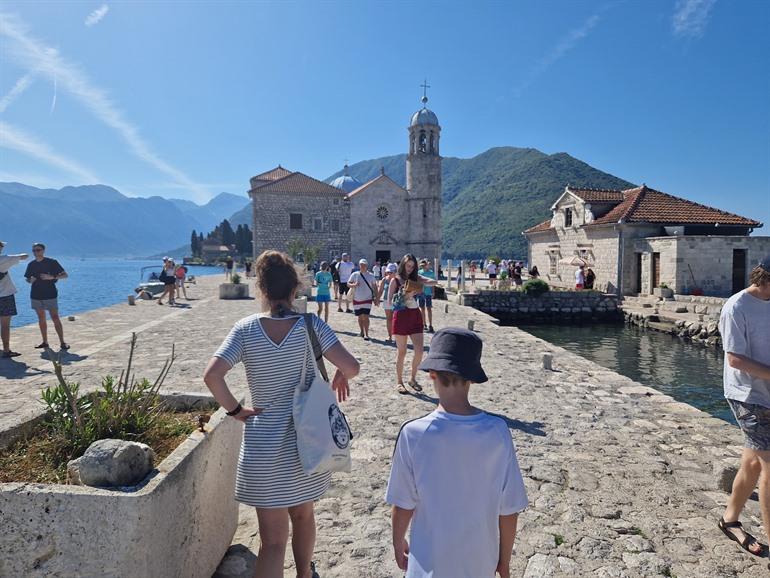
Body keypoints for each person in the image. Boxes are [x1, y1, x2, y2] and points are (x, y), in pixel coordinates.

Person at [203, 250, 359, 578]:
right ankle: (304, 574)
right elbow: (352, 366)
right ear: (294, 289)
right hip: (305, 446)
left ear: (261, 289)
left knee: (272, 543)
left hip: (262, 444)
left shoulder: (244, 329)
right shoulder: (311, 326)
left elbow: (212, 376)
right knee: (303, 517)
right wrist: (341, 373)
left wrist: (236, 410)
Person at [386, 327, 528, 578]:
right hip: (479, 563)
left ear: (431, 374)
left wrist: (398, 542)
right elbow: (509, 510)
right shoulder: (498, 432)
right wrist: (503, 561)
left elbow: (403, 503)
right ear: (472, 378)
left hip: (428, 564)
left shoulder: (414, 433)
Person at [718, 256, 770, 564]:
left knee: (752, 463)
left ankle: (730, 519)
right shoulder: (736, 307)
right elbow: (734, 359)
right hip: (747, 395)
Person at [388, 254, 438, 394]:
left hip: (415, 315)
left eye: (412, 266)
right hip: (401, 315)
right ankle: (399, 382)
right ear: (403, 265)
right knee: (402, 352)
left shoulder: (416, 278)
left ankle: (412, 379)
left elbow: (432, 282)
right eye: (408, 266)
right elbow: (389, 302)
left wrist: (425, 281)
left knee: (420, 351)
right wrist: (404, 295)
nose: (410, 269)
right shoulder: (395, 280)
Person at [24, 243, 69, 351]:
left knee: (55, 317)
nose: (36, 252)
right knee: (41, 318)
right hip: (36, 295)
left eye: (38, 250)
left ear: (43, 250)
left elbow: (65, 275)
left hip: (50, 295)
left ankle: (62, 342)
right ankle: (45, 342)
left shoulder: (52, 262)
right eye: (34, 250)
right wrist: (30, 280)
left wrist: (51, 277)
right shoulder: (31, 264)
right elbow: (27, 279)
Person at [0, 241, 29, 358]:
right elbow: (24, 256)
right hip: (5, 296)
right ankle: (6, 350)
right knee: (5, 325)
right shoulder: (4, 259)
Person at [347, 259, 378, 340]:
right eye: (361, 265)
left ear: (366, 266)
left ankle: (366, 334)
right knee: (360, 317)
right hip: (357, 299)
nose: (362, 266)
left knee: (366, 316)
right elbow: (348, 284)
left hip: (367, 299)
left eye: (364, 265)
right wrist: (354, 284)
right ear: (359, 265)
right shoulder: (355, 274)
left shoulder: (371, 275)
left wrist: (376, 297)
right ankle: (361, 331)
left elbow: (375, 287)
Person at [379, 263, 398, 342]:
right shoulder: (384, 279)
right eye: (388, 272)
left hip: (396, 301)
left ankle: (397, 337)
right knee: (389, 318)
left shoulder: (398, 280)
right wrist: (377, 299)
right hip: (386, 300)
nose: (389, 274)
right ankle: (389, 336)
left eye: (391, 272)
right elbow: (380, 290)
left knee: (396, 319)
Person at [417, 259, 435, 333]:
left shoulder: (431, 273)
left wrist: (433, 292)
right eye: (422, 265)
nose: (423, 266)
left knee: (429, 308)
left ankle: (430, 324)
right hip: (421, 292)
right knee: (422, 308)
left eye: (424, 265)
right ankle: (424, 324)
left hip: (428, 293)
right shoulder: (419, 272)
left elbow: (433, 283)